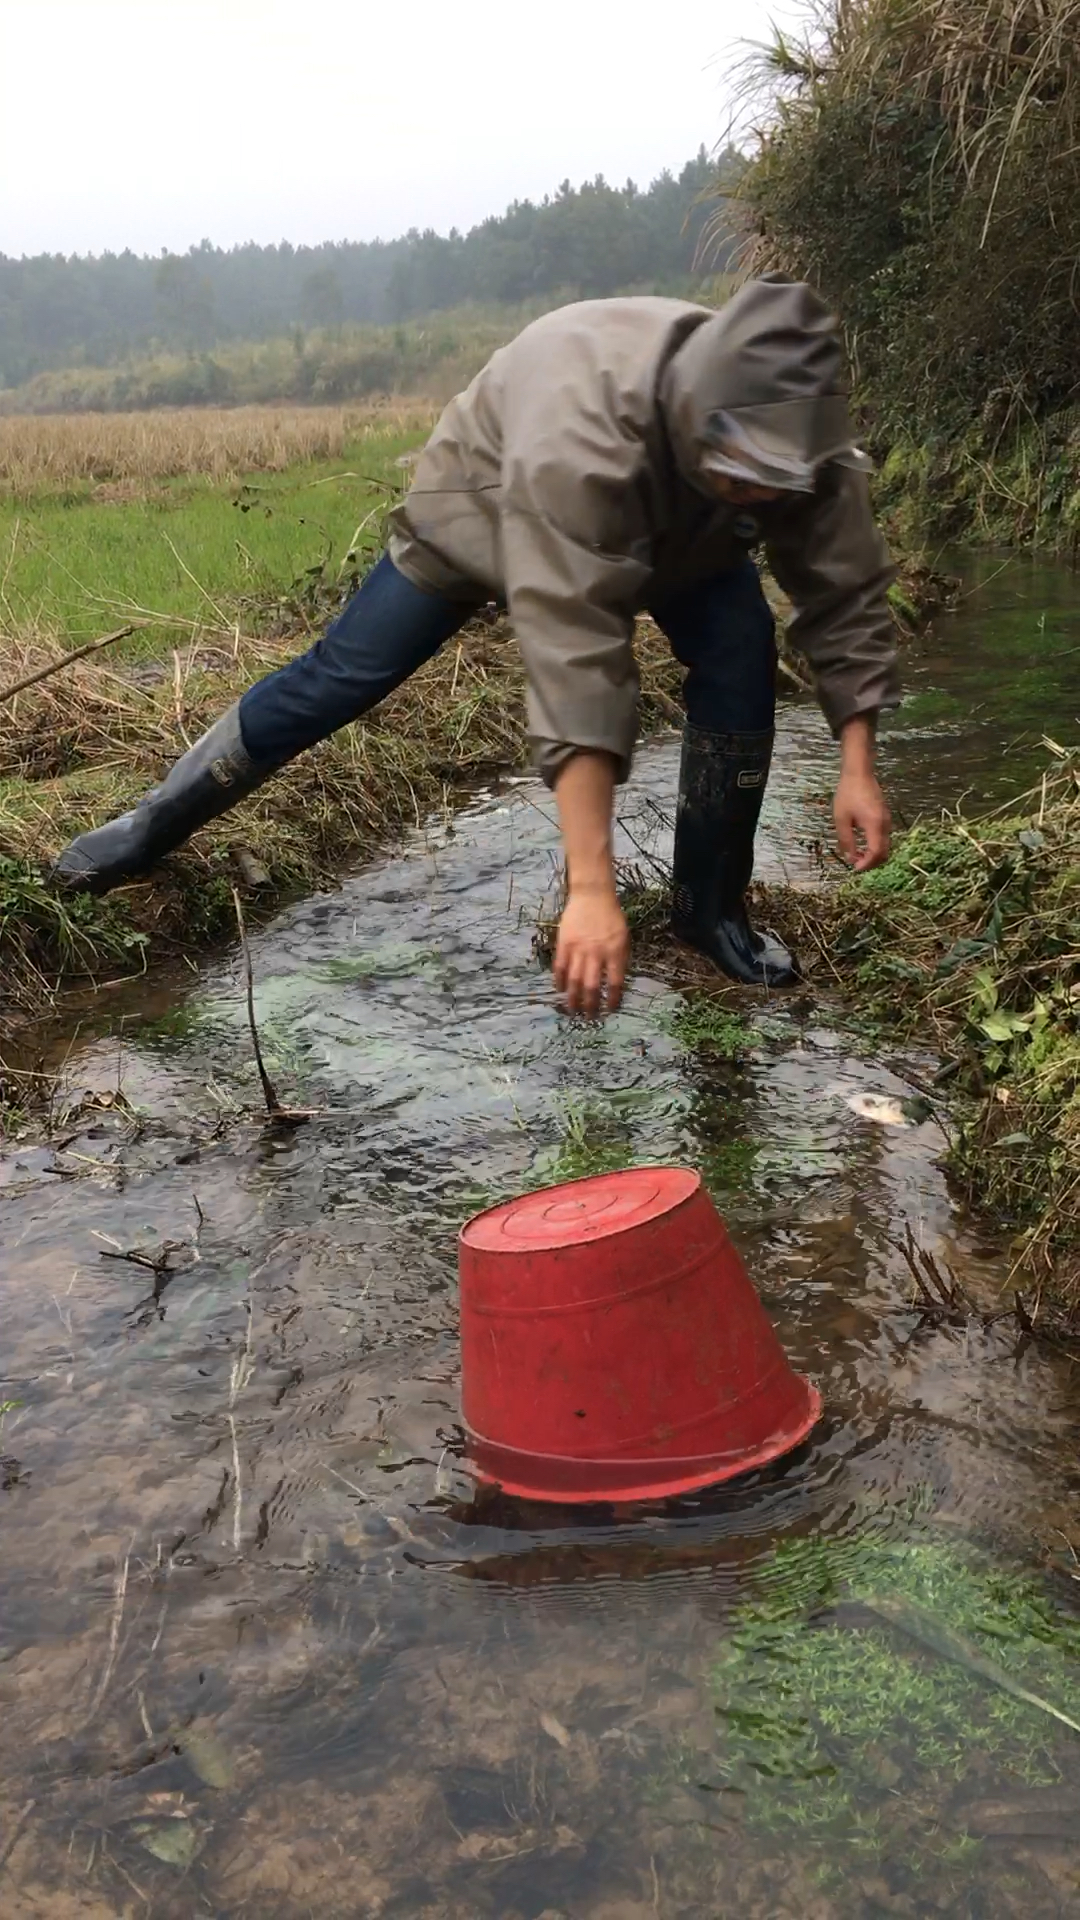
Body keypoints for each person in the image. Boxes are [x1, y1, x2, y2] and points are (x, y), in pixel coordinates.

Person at [54, 276, 898, 1016]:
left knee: (741, 645)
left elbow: (842, 582)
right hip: (488, 501)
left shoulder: (797, 429)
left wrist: (856, 761)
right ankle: (152, 824)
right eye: (741, 466)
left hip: (680, 534)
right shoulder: (583, 437)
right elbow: (575, 655)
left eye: (773, 476)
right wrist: (592, 890)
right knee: (341, 678)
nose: (761, 487)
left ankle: (710, 910)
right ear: (696, 418)